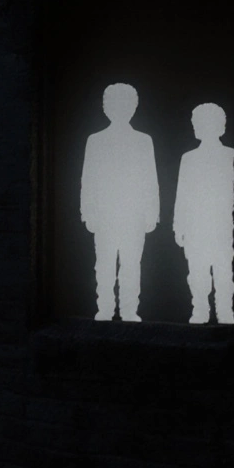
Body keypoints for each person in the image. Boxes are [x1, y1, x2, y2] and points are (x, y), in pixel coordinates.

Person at [80, 83, 160, 321]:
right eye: (114, 103)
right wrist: (88, 211)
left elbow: (150, 179)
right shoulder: (95, 140)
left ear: (133, 107)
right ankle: (104, 309)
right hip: (105, 213)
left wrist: (151, 212)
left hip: (132, 214)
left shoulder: (143, 141)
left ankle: (128, 310)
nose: (120, 109)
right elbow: (88, 178)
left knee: (131, 265)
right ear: (106, 107)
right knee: (104, 264)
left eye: (125, 104)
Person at [173, 102, 234, 324]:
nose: (195, 126)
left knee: (224, 271)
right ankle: (200, 309)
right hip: (197, 226)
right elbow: (183, 194)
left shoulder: (231, 157)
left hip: (222, 225)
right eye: (194, 123)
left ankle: (224, 310)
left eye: (198, 123)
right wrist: (179, 225)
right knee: (198, 271)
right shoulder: (189, 159)